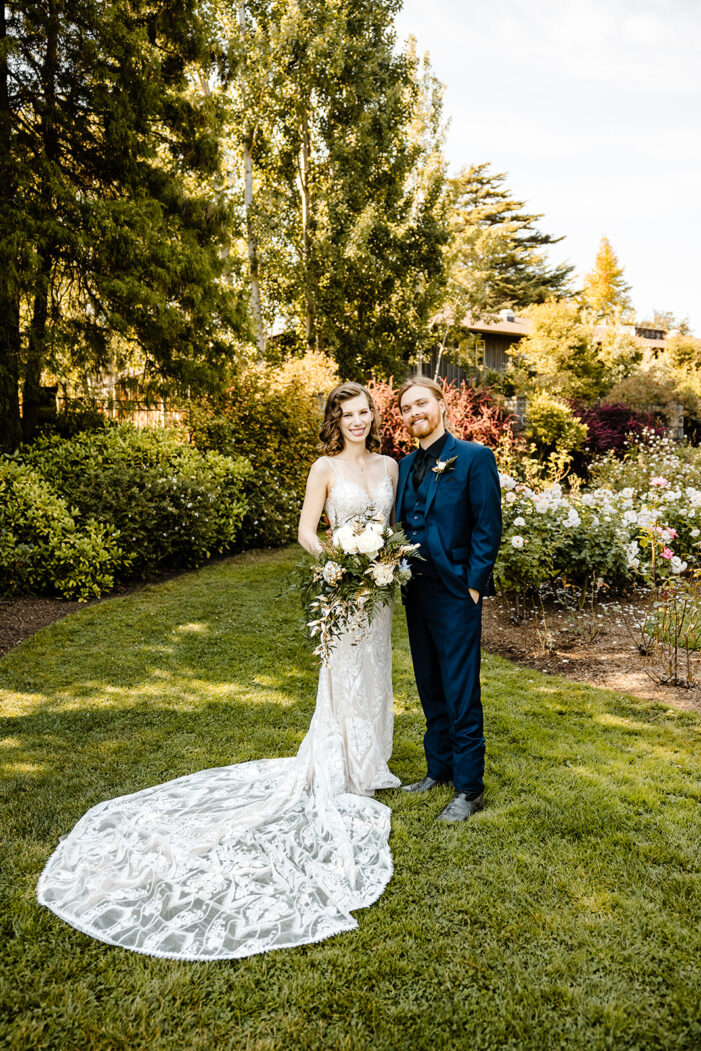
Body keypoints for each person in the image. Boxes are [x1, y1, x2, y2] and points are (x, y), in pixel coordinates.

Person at [36, 382, 401, 960]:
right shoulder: (323, 467)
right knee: (342, 677)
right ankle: (338, 763)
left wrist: (381, 561)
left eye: (364, 413)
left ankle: (368, 759)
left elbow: (391, 529)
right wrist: (338, 563)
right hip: (341, 590)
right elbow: (306, 532)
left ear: (373, 417)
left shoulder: (390, 466)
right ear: (335, 420)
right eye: (347, 414)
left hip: (377, 596)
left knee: (375, 674)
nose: (357, 421)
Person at [396, 377, 502, 823]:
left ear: (441, 406)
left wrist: (474, 586)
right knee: (429, 684)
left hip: (456, 592)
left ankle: (469, 787)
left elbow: (487, 525)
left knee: (460, 690)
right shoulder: (402, 467)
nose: (413, 412)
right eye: (405, 408)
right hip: (414, 592)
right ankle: (437, 769)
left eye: (421, 403)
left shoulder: (475, 458)